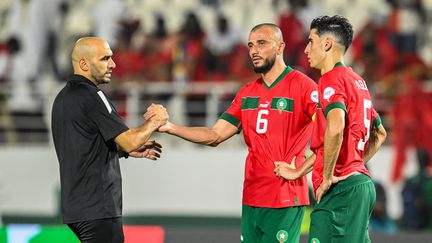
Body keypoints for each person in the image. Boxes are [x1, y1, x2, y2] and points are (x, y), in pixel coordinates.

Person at [148, 23, 318, 243]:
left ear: (280, 47)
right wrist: (170, 127)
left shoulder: (304, 86)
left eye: (262, 43)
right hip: (252, 197)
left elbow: (333, 132)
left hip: (285, 198)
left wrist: (299, 171)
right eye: (250, 45)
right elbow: (214, 135)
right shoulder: (247, 93)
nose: (254, 50)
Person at [51, 37, 168, 243]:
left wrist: (123, 151)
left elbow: (84, 145)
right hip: (99, 207)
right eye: (105, 58)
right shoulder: (93, 96)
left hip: (76, 208)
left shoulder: (62, 98)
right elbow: (131, 140)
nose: (113, 64)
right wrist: (155, 122)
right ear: (84, 64)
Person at [303, 15, 387, 243]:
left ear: (327, 43)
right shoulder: (357, 81)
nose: (305, 49)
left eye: (311, 41)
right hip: (358, 185)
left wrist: (329, 175)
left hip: (341, 190)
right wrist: (357, 165)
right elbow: (380, 134)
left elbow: (336, 127)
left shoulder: (331, 80)